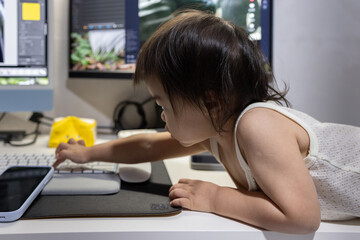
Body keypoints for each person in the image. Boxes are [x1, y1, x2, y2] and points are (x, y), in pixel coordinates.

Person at [53, 10, 360, 234]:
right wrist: (88, 154)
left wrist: (216, 198)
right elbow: (148, 144)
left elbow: (303, 218)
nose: (161, 115)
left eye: (163, 103)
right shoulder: (216, 127)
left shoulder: (257, 126)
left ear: (210, 102)